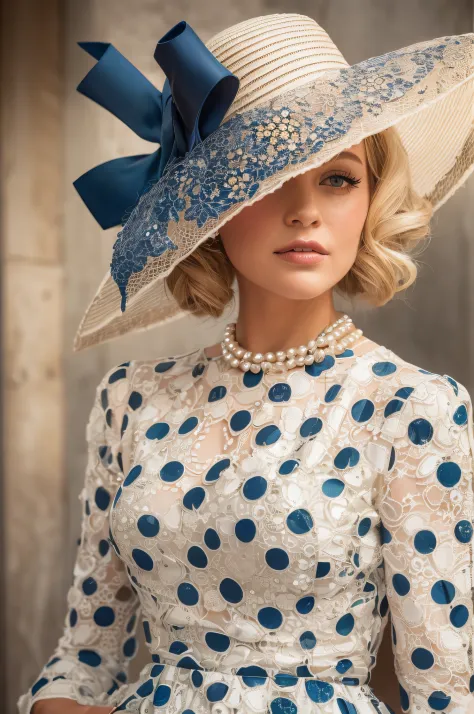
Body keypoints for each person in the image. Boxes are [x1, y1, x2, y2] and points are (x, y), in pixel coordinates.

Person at [19, 12, 474, 714]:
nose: (304, 211)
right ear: (212, 208)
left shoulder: (413, 409)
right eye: (266, 177)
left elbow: (444, 692)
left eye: (338, 179)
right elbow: (83, 659)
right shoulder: (131, 400)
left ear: (370, 199)